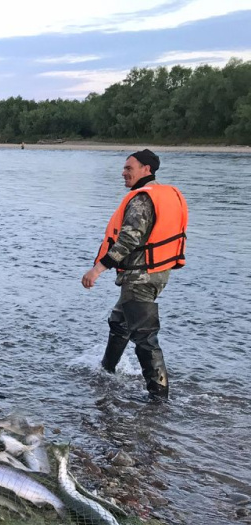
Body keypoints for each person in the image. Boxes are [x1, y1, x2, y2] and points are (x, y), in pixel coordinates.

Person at [81, 149, 188, 401]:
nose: (124, 172)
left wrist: (97, 269)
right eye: (124, 168)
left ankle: (159, 398)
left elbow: (128, 240)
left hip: (141, 277)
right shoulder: (166, 195)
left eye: (129, 168)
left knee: (145, 337)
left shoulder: (142, 200)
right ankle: (106, 371)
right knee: (120, 322)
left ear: (146, 170)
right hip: (156, 273)